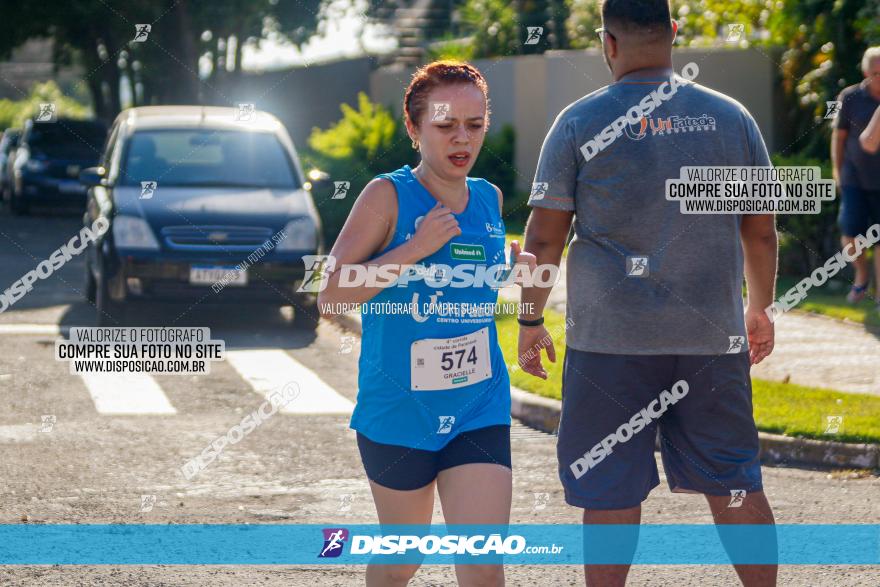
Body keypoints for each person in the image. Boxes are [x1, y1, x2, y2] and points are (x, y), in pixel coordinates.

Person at [516, 1, 778, 585]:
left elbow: (544, 236)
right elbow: (760, 228)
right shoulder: (731, 119)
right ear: (674, 35)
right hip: (711, 340)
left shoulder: (579, 122)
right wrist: (760, 307)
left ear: (608, 43)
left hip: (610, 347)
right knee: (734, 482)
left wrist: (530, 320)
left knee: (608, 488)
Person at [318, 60, 535, 587]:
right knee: (403, 557)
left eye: (475, 124)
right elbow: (332, 293)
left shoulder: (488, 197)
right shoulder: (386, 196)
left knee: (482, 560)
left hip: (477, 404)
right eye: (444, 126)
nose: (462, 138)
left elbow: (467, 273)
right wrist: (414, 249)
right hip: (399, 410)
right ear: (414, 129)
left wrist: (509, 269)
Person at [833, 46, 880, 306]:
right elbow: (838, 138)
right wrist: (837, 172)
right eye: (876, 73)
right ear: (865, 72)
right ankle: (862, 275)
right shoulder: (850, 97)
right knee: (850, 231)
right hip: (854, 177)